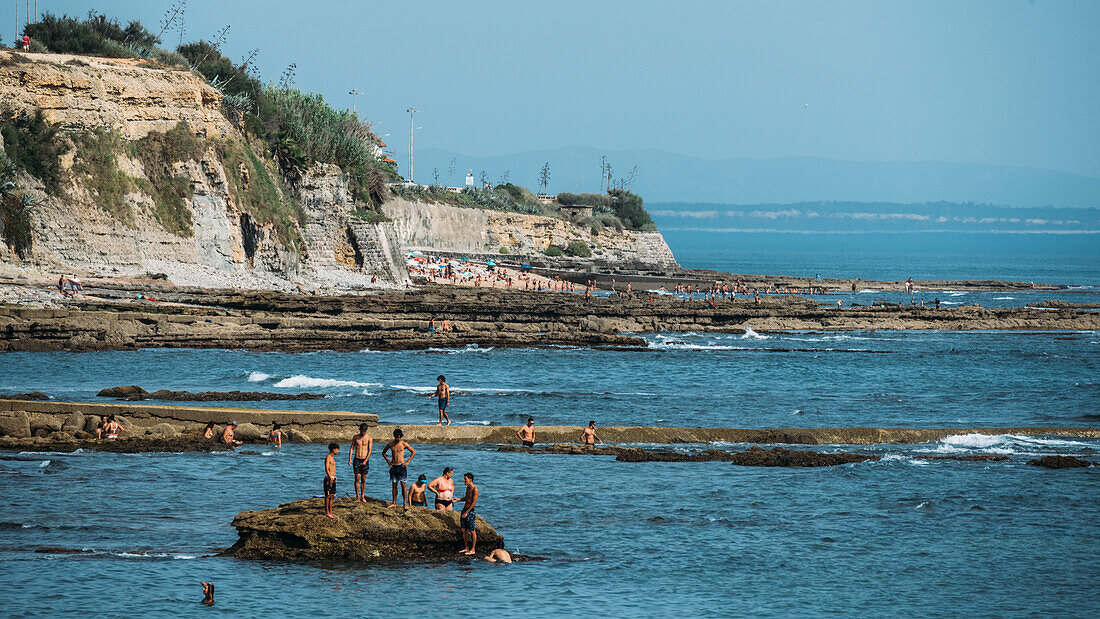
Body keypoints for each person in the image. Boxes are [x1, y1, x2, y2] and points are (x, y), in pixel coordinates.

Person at [382, 428, 416, 508]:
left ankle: (405, 503)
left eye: (399, 437)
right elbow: (383, 452)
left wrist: (407, 462)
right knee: (394, 485)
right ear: (394, 436)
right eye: (397, 437)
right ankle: (394, 502)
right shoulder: (391, 444)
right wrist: (388, 461)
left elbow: (413, 452)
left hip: (402, 466)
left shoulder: (404, 444)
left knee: (403, 485)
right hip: (394, 466)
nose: (398, 438)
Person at [454, 472, 479, 555]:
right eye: (464, 479)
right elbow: (467, 498)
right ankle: (466, 547)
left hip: (470, 511)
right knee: (463, 529)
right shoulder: (467, 488)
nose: (464, 480)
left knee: (472, 531)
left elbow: (473, 503)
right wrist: (458, 499)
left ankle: (473, 549)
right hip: (465, 509)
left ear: (470, 479)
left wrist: (467, 513)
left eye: (465, 479)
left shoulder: (475, 489)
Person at [348, 423, 373, 502]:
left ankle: (362, 496)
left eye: (364, 431)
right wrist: (350, 459)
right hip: (357, 459)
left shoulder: (369, 438)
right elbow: (352, 448)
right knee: (357, 478)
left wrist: (365, 460)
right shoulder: (356, 437)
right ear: (360, 430)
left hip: (365, 459)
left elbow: (370, 450)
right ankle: (357, 496)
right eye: (362, 431)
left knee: (363, 479)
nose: (363, 432)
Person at [323, 443, 339, 519]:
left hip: (333, 478)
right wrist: (330, 477)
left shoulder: (333, 458)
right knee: (328, 496)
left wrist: (334, 477)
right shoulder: (328, 457)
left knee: (332, 496)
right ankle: (327, 512)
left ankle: (331, 512)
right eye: (337, 450)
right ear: (333, 449)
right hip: (328, 478)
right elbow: (326, 469)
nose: (338, 452)